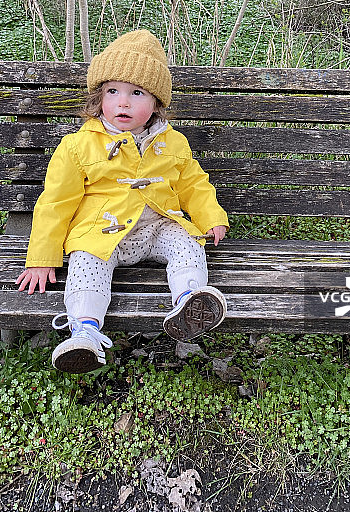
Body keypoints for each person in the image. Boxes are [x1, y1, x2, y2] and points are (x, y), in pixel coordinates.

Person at [16, 30, 228, 374]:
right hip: (101, 233)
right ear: (99, 97)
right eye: (112, 91)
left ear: (156, 103)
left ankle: (190, 301)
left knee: (189, 243)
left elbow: (194, 184)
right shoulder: (78, 146)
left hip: (158, 226)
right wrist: (42, 257)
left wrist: (210, 217)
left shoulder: (171, 142)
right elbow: (55, 202)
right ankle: (84, 330)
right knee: (86, 263)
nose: (123, 102)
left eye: (137, 93)